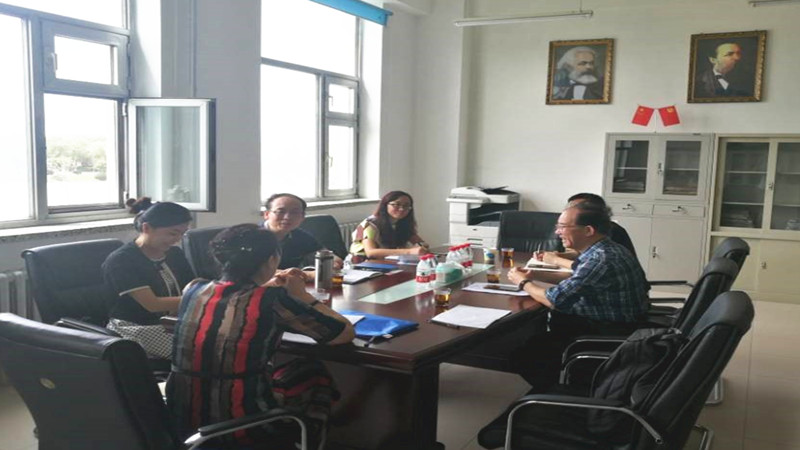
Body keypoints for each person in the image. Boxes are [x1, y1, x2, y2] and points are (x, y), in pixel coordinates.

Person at [168, 224, 355, 448]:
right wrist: (303, 296)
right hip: (243, 425)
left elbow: (234, 298)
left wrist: (266, 285)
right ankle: (312, 440)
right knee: (314, 373)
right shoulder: (271, 300)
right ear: (272, 260)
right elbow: (342, 333)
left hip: (183, 422)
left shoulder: (193, 289)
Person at [507, 202, 649, 392]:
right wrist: (534, 275)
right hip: (619, 325)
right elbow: (578, 278)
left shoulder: (600, 259)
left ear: (588, 230)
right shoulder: (605, 249)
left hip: (602, 331)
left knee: (522, 354)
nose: (557, 232)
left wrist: (523, 282)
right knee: (531, 339)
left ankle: (556, 395)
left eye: (563, 227)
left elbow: (555, 300)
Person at [102, 198, 195, 359]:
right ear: (147, 228)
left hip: (172, 321)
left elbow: (192, 286)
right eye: (172, 233)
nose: (178, 239)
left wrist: (199, 295)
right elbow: (152, 304)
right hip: (135, 327)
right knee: (200, 350)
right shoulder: (122, 260)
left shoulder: (175, 254)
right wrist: (201, 298)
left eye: (182, 233)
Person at [535, 193, 638, 270]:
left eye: (578, 207)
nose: (570, 210)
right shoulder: (588, 238)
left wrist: (555, 260)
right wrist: (556, 255)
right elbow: (582, 254)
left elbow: (589, 265)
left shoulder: (611, 231)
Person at [263, 193, 342, 272]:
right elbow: (259, 272)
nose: (287, 217)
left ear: (302, 217)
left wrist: (334, 262)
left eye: (295, 212)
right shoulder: (257, 237)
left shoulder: (299, 235)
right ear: (267, 214)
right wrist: (307, 274)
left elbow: (329, 256)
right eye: (280, 211)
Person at [349, 190, 428, 259]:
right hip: (362, 262)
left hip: (385, 261)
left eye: (406, 206)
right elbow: (370, 252)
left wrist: (422, 246)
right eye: (396, 204)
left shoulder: (401, 223)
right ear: (385, 205)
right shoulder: (370, 224)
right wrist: (409, 251)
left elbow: (419, 242)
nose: (402, 209)